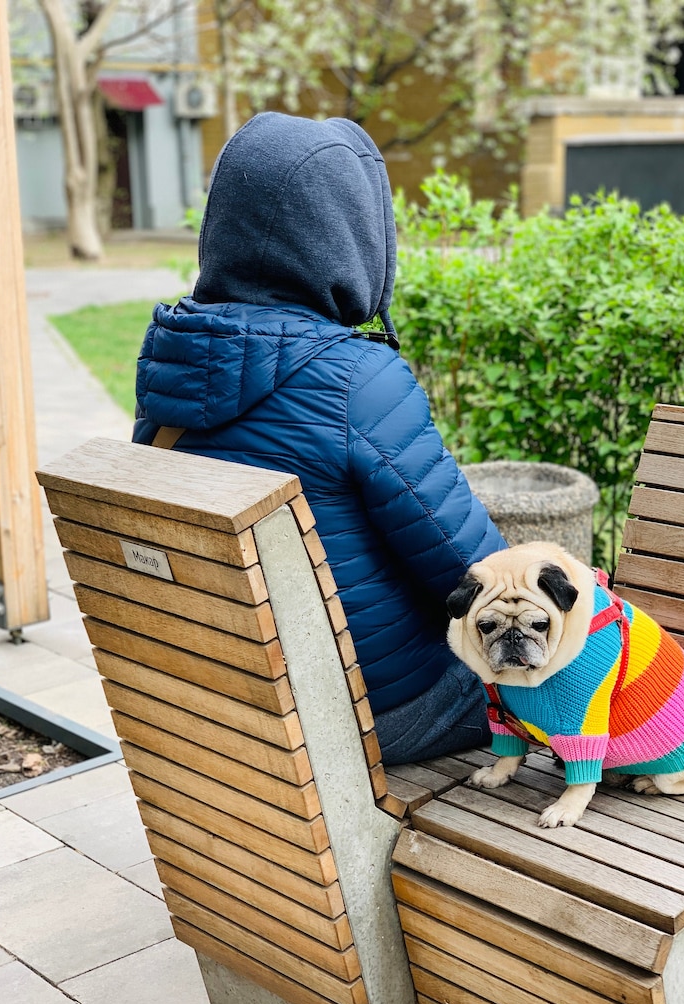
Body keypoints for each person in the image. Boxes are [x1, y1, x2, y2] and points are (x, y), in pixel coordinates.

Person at [132, 111, 506, 765]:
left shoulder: (173, 357)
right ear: (350, 236)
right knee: (543, 661)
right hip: (373, 715)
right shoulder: (358, 380)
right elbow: (478, 577)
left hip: (231, 706)